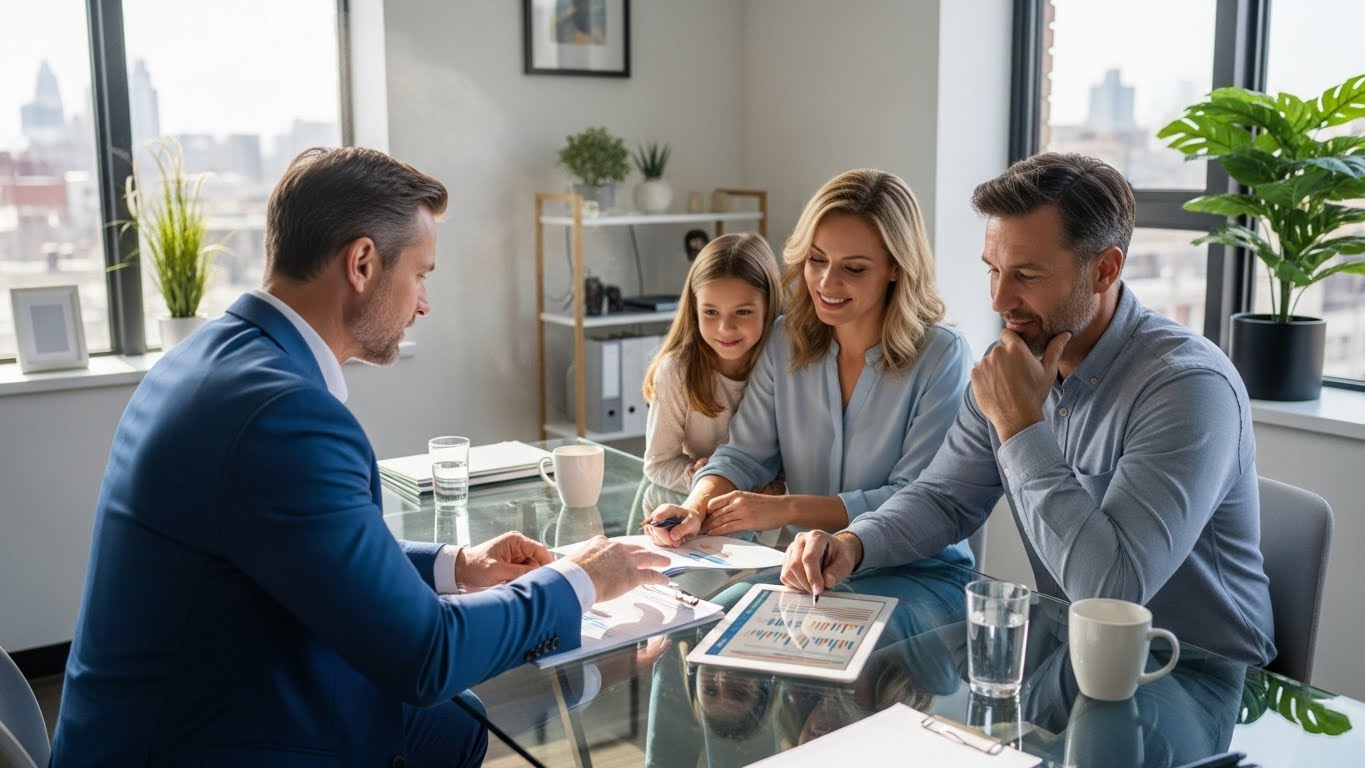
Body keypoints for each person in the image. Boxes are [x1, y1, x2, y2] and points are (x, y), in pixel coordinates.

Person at [50, 147, 669, 768]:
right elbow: (426, 659)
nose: (424, 303)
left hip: (178, 707)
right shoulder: (285, 416)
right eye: (421, 275)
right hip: (202, 741)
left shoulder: (210, 357)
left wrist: (458, 566)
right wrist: (582, 578)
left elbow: (299, 543)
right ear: (363, 263)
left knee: (460, 725)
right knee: (449, 701)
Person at [781, 152, 1276, 666]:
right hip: (1077, 662)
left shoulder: (1188, 386)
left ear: (1105, 269)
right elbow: (946, 498)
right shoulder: (1016, 359)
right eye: (993, 270)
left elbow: (1112, 593)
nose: (998, 299)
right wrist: (853, 544)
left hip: (1202, 677)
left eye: (1027, 275)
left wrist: (1020, 426)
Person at [644, 168, 973, 580]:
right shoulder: (784, 339)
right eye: (817, 260)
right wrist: (695, 508)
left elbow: (916, 500)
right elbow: (745, 455)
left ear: (895, 267)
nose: (826, 282)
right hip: (805, 571)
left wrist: (785, 508)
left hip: (915, 573)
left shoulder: (941, 355)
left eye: (853, 268)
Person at [642, 232, 784, 493]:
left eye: (743, 312)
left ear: (770, 305)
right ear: (694, 310)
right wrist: (701, 479)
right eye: (710, 312)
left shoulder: (789, 365)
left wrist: (777, 490)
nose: (725, 328)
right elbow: (658, 463)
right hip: (709, 510)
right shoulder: (678, 371)